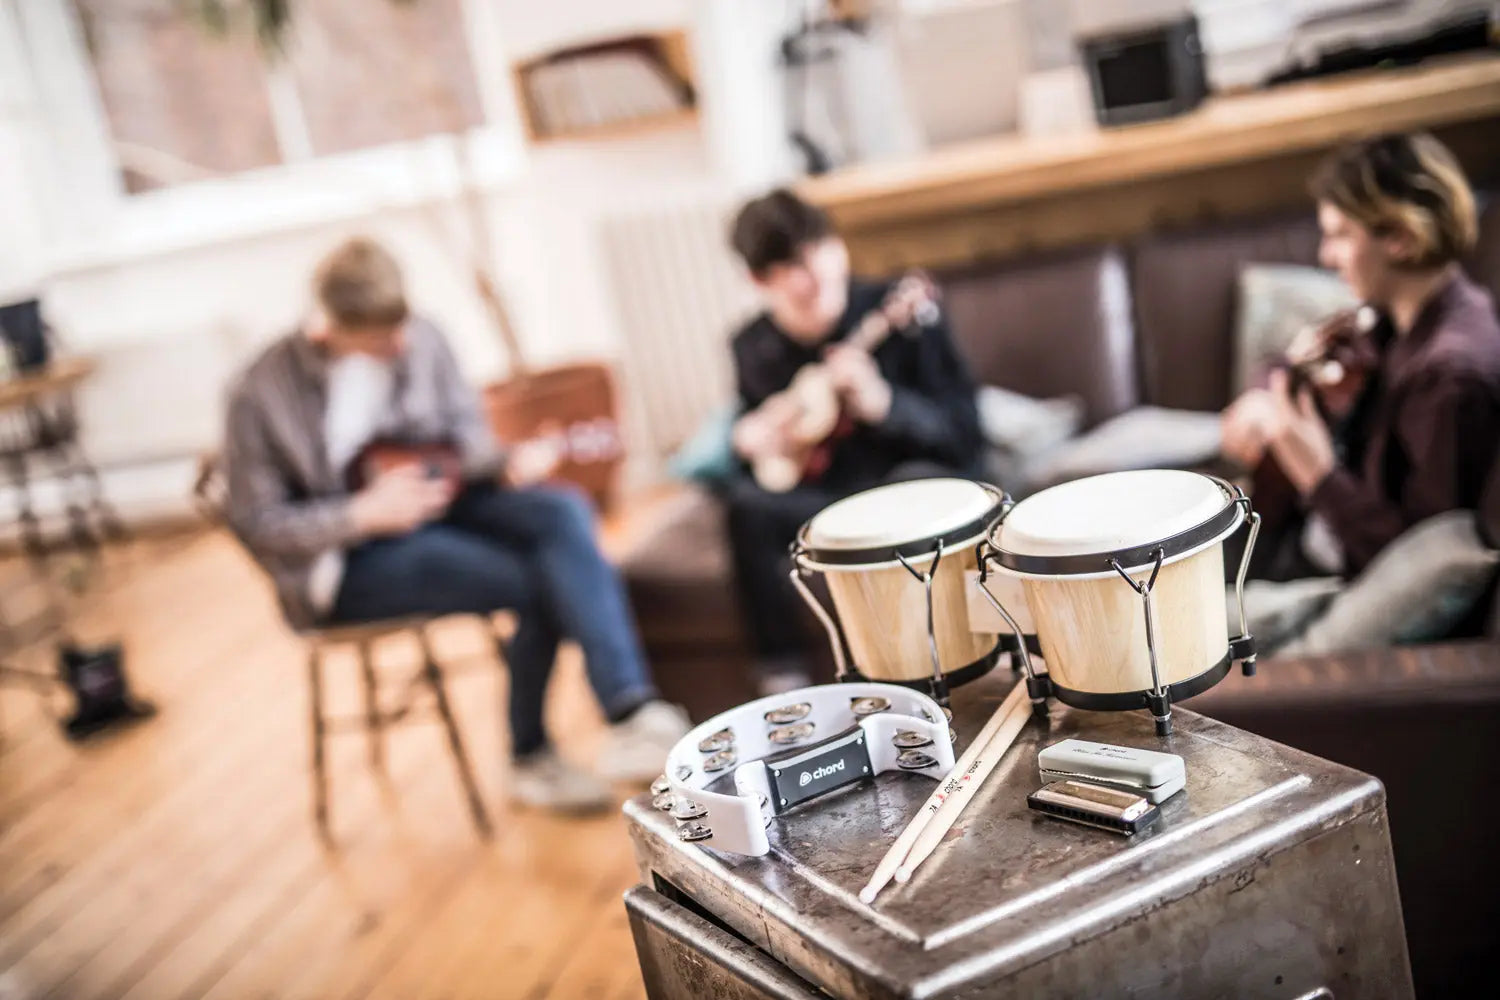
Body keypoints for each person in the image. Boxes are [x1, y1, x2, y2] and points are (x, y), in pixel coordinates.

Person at [222, 237, 688, 813]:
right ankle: (530, 754)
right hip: (346, 559)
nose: (400, 344)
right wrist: (362, 513)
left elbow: (470, 439)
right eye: (380, 338)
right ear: (328, 326)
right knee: (540, 578)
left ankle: (631, 713)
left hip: (445, 503)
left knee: (562, 510)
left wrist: (501, 461)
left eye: (401, 327)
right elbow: (258, 524)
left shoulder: (422, 335)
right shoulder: (258, 393)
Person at [723, 189, 984, 693]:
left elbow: (966, 437)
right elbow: (760, 465)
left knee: (917, 489)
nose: (816, 273)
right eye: (792, 266)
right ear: (759, 281)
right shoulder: (752, 348)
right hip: (828, 500)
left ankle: (928, 667)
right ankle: (783, 680)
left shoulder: (900, 308)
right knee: (745, 509)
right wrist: (752, 440)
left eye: (820, 248)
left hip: (903, 483)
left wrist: (884, 404)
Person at [1221, 132, 1500, 583]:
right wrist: (1267, 393)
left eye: (1340, 235)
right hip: (1304, 531)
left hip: (1325, 566)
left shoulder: (1450, 380)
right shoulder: (1398, 319)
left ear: (1401, 238)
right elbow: (1301, 361)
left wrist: (1317, 473)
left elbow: (1419, 568)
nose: (1326, 256)